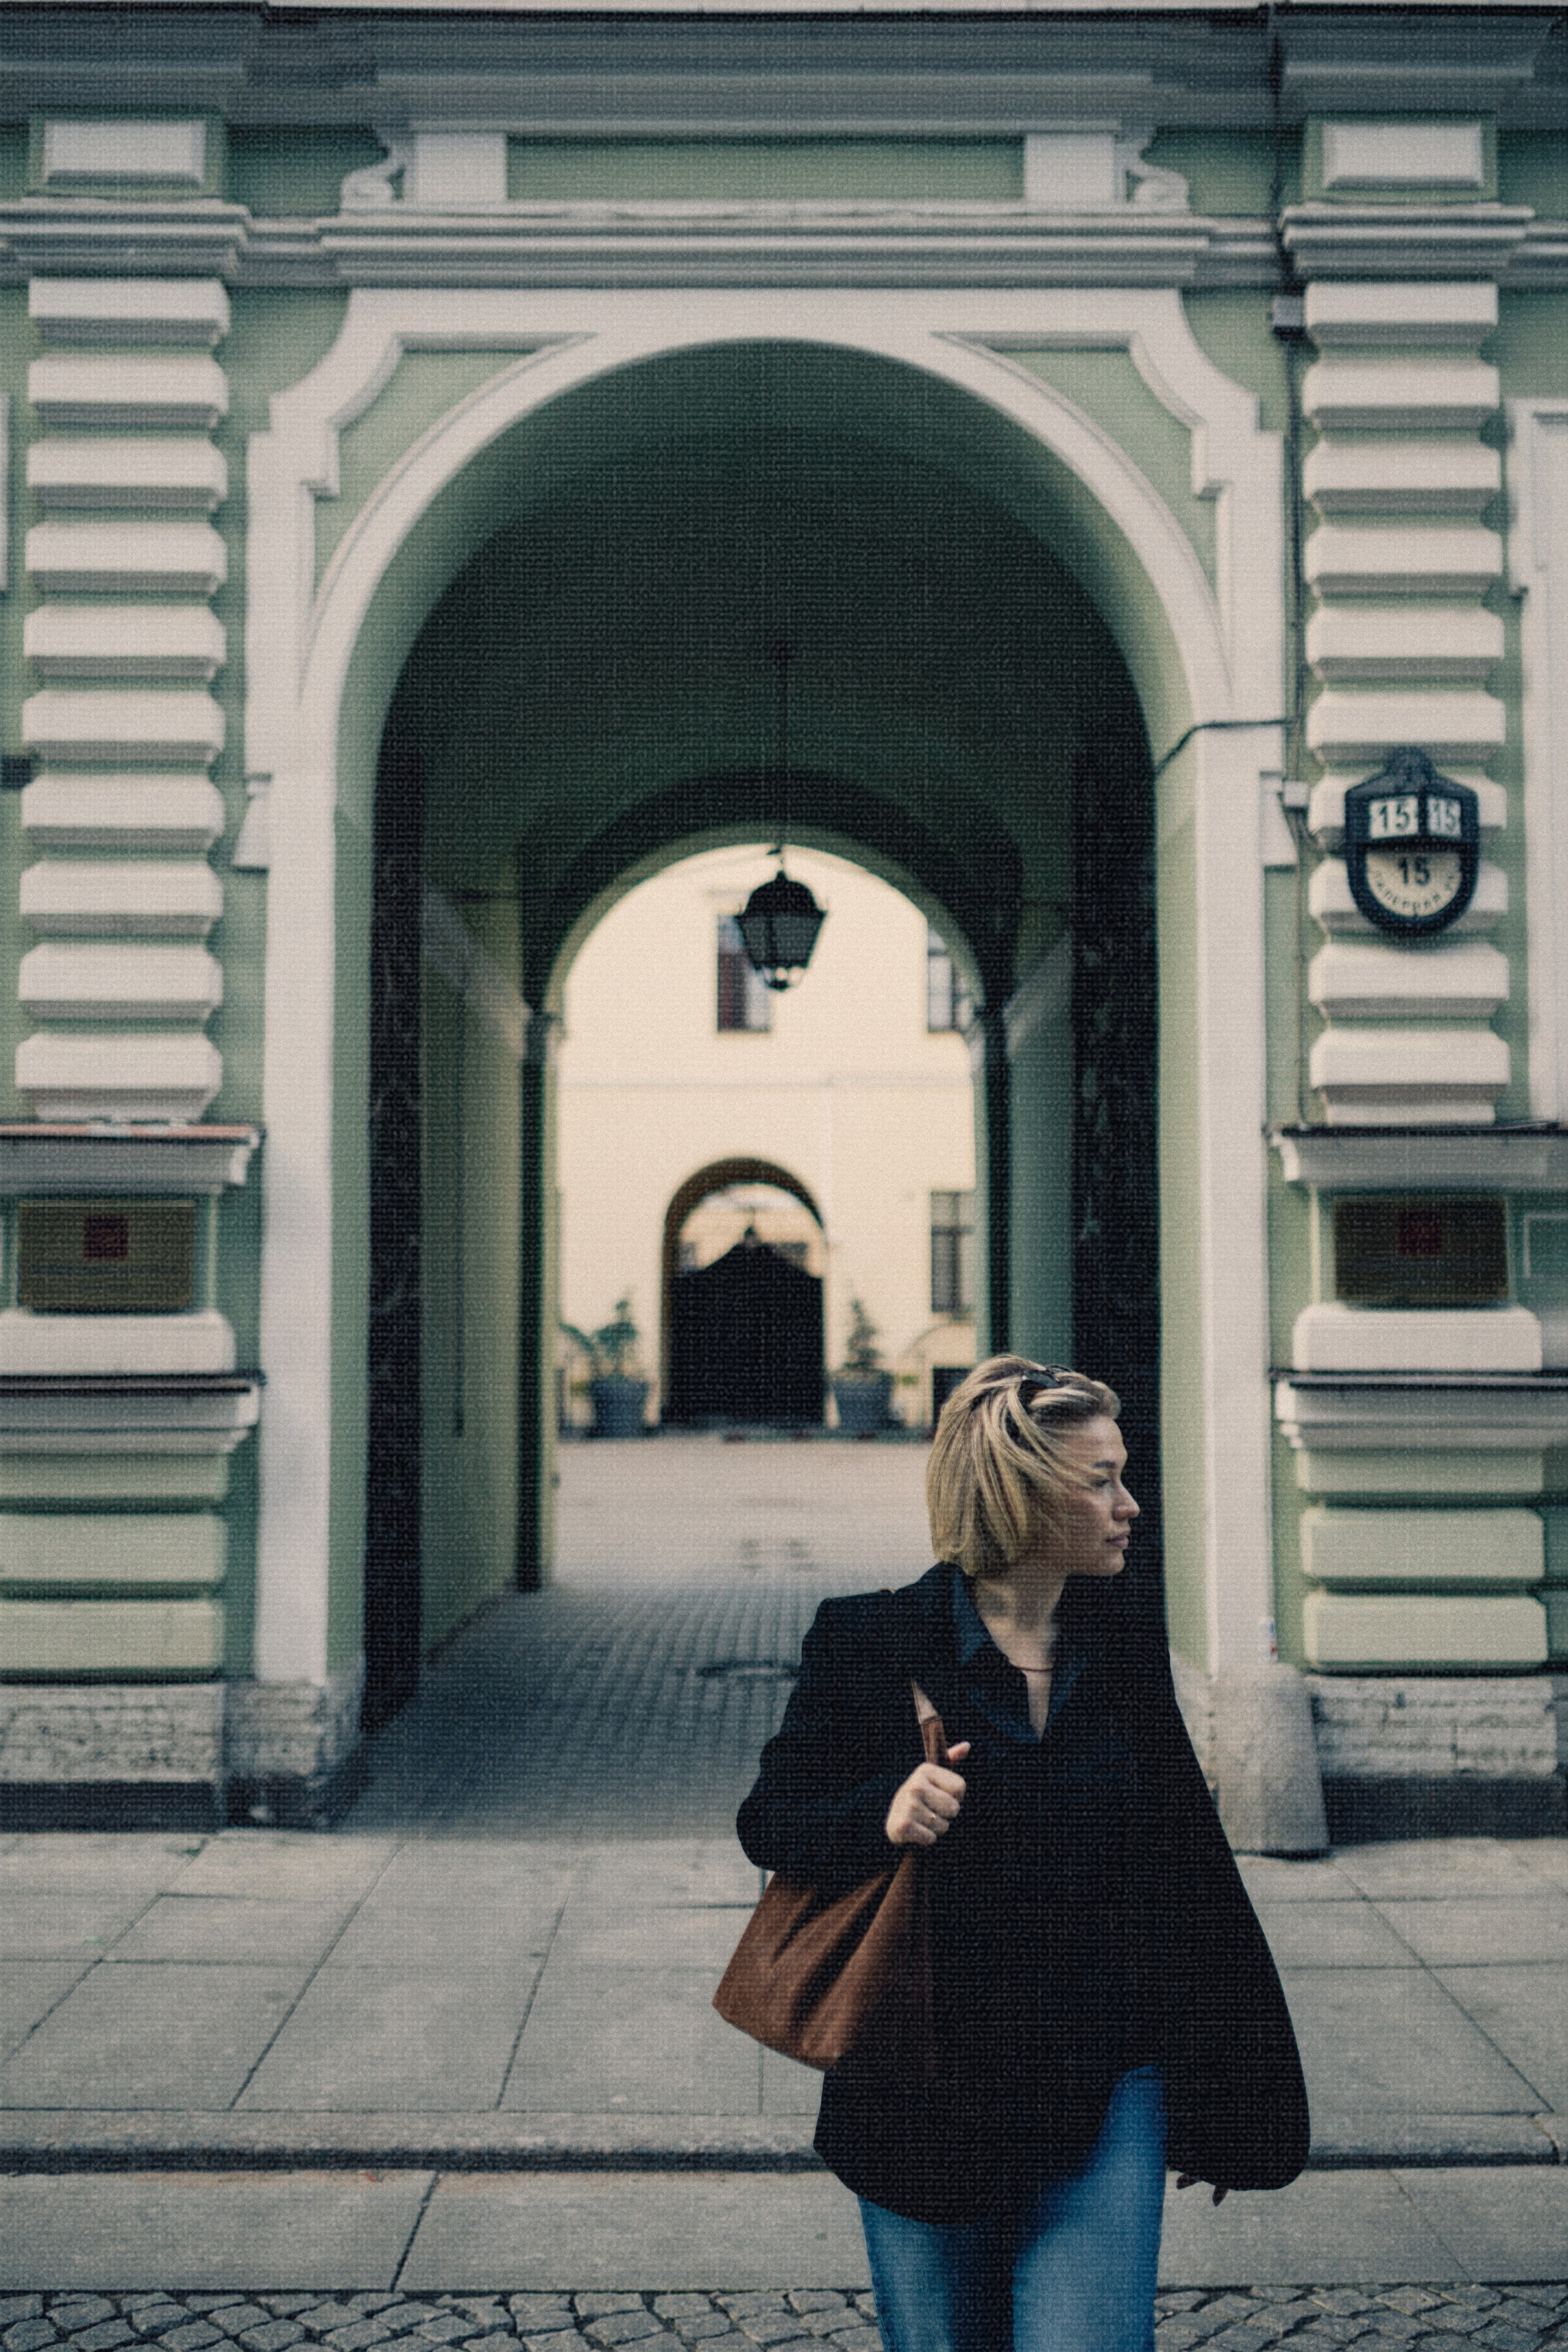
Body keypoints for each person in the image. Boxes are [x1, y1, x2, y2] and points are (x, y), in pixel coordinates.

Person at [735, 1355, 1309, 2352]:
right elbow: (771, 1819)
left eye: (1123, 1476)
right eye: (1101, 1482)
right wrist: (886, 1809)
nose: (1130, 1505)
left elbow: (1190, 1876)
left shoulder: (1122, 1646)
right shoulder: (873, 1639)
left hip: (1102, 2085)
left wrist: (1233, 2094)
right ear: (1023, 1493)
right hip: (922, 2089)